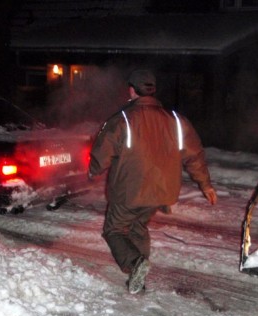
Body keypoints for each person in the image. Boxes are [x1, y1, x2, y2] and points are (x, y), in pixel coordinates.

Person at [88, 69, 217, 294]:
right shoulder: (176, 120)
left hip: (130, 191)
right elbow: (195, 154)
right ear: (152, 90)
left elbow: (102, 153)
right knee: (138, 226)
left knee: (114, 230)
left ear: (131, 90)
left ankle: (134, 264)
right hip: (161, 192)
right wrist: (205, 184)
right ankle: (138, 276)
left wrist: (94, 170)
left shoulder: (123, 120)